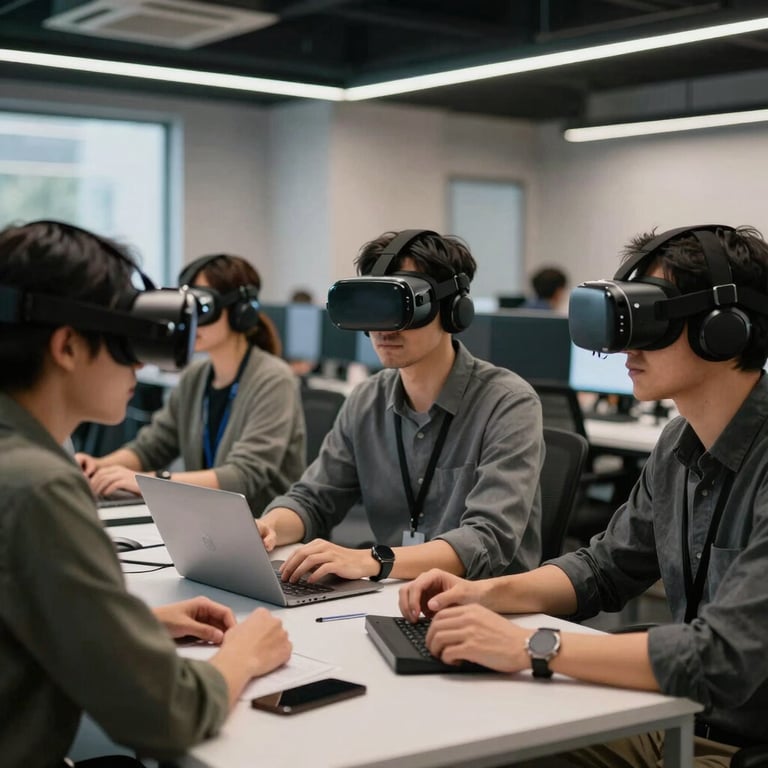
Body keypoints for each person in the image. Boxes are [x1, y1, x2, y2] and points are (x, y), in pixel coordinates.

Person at [399, 225, 768, 767]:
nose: (623, 344)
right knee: (469, 733)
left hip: (741, 745)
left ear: (724, 329)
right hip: (679, 714)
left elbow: (723, 658)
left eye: (651, 318)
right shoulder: (678, 444)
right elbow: (603, 568)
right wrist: (485, 594)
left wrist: (532, 648)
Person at [0, 220, 292, 766]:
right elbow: (164, 714)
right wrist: (242, 658)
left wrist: (127, 625)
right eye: (125, 342)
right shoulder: (37, 487)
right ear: (66, 345)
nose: (140, 362)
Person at [257, 229, 544, 583]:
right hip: (393, 595)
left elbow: (486, 540)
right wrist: (269, 526)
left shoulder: (507, 404)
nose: (384, 328)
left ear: (453, 310)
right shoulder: (366, 400)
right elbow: (314, 498)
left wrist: (373, 561)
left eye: (403, 305)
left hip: (486, 606)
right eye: (373, 307)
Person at [76, 253, 306, 512]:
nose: (191, 319)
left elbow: (243, 476)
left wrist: (150, 482)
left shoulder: (274, 379)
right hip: (205, 523)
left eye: (203, 307)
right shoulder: (195, 376)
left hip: (263, 531)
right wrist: (99, 466)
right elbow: (151, 447)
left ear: (241, 312)